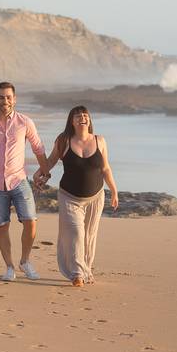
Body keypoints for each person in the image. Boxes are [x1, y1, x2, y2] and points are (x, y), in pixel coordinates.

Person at [0, 82, 50, 281]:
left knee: (30, 222)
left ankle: (25, 261)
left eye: (9, 97)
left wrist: (45, 172)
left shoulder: (25, 122)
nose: (6, 101)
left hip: (19, 180)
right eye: (2, 97)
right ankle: (10, 267)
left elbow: (38, 148)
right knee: (2, 226)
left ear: (15, 99)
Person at [36, 105, 118, 287]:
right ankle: (77, 274)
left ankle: (85, 269)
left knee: (89, 236)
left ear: (89, 120)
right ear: (71, 122)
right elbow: (50, 161)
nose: (82, 117)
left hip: (95, 198)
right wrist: (39, 173)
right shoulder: (64, 140)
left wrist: (113, 190)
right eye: (77, 115)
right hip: (69, 197)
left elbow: (105, 168)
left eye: (85, 114)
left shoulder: (100, 141)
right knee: (76, 233)